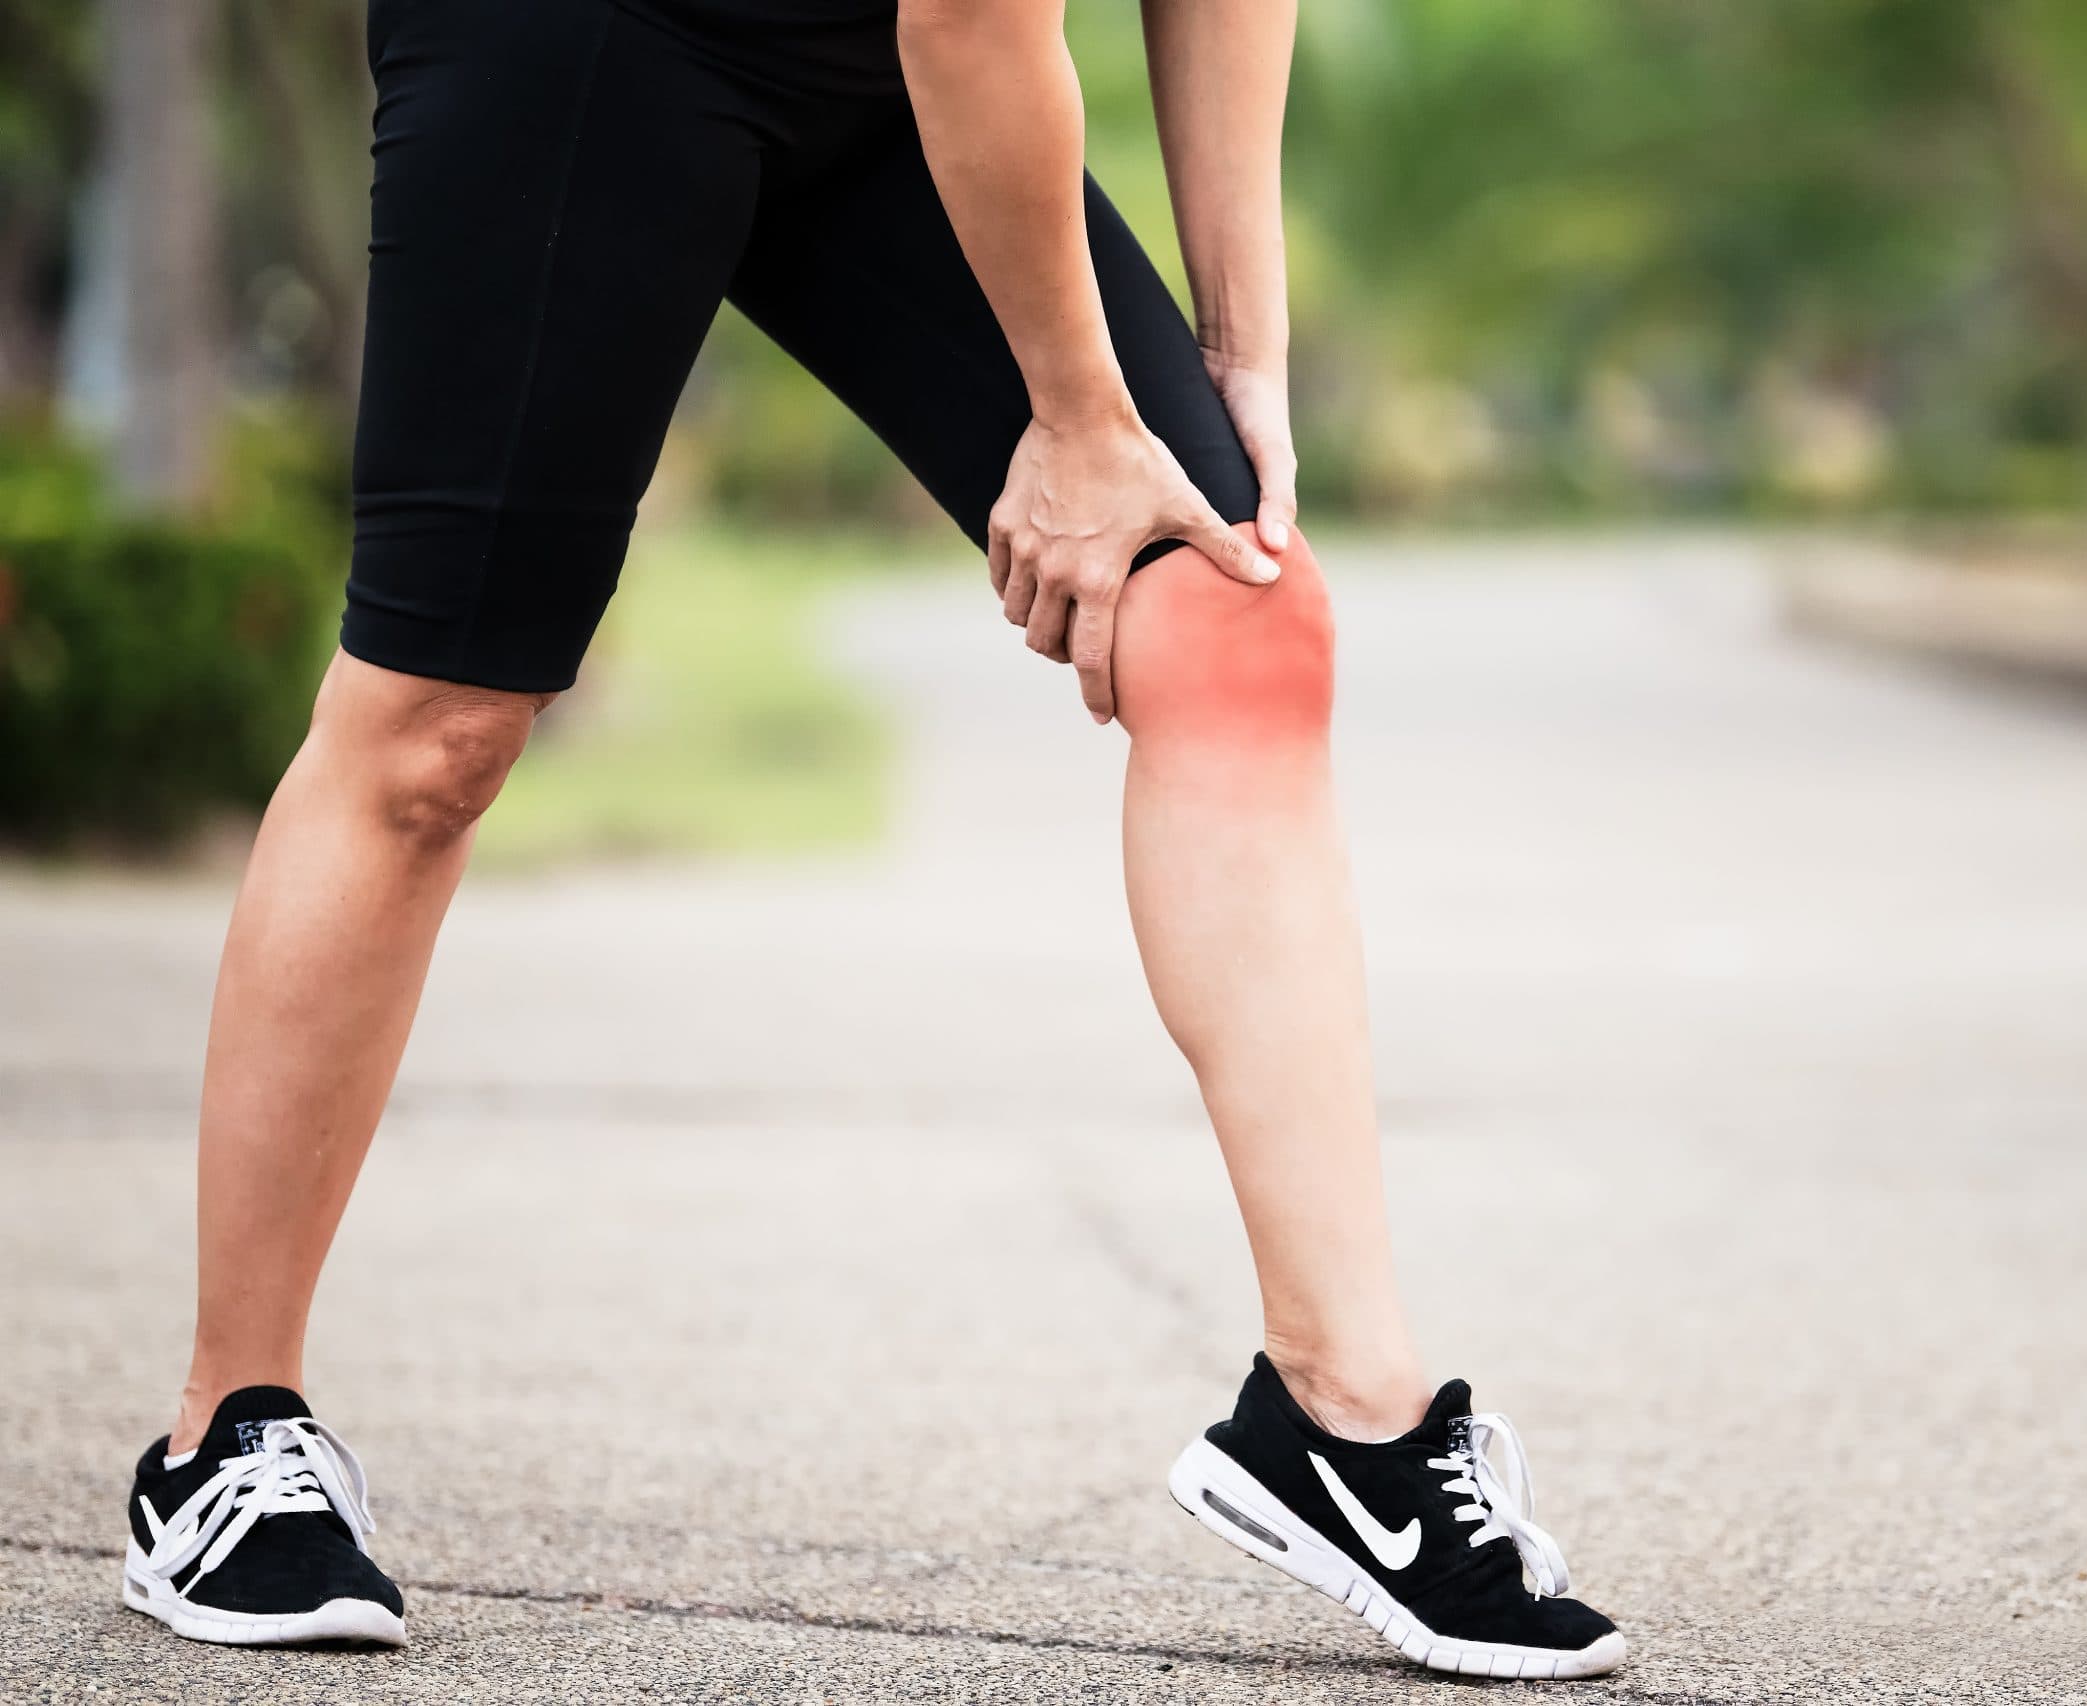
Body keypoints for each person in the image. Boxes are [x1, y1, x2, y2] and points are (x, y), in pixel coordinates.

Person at [117, 0, 1623, 1680]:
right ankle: (222, 1437)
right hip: (592, 33)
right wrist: (1075, 414)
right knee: (437, 727)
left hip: (888, 67)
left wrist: (1238, 352)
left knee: (1231, 608)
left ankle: (1350, 1415)